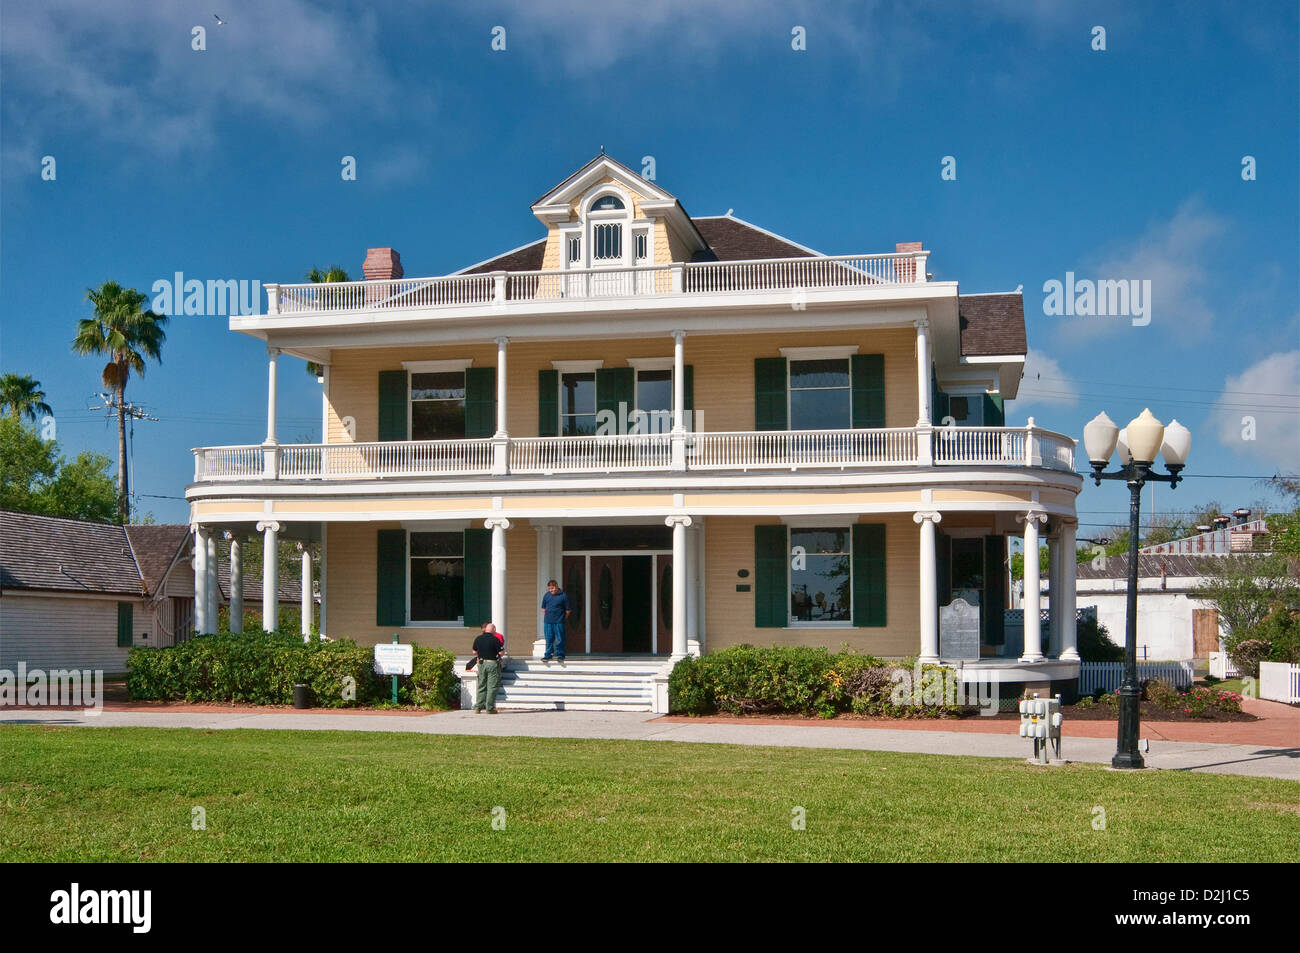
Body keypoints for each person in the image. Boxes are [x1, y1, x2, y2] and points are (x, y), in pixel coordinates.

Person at [471, 624, 505, 713]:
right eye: (495, 629)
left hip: (481, 664)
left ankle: (478, 707)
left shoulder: (478, 638)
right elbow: (501, 652)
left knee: (481, 685)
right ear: (493, 629)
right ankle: (489, 708)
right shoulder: (495, 639)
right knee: (492, 686)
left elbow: (474, 651)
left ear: (486, 629)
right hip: (492, 663)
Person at [540, 579, 571, 662]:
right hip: (548, 622)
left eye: (552, 588)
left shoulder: (563, 596)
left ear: (556, 586)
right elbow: (543, 608)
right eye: (549, 588)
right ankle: (548, 655)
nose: (551, 590)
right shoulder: (547, 595)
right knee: (549, 639)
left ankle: (560, 655)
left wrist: (562, 618)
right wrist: (547, 616)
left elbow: (568, 610)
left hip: (559, 622)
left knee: (560, 639)